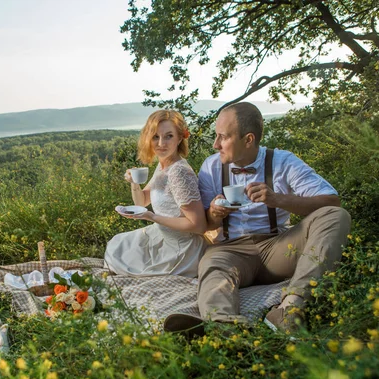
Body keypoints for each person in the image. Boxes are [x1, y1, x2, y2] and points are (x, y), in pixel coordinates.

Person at [163, 102, 351, 335]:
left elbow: (332, 201)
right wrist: (214, 213)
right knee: (212, 265)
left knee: (335, 216)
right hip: (230, 250)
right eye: (216, 136)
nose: (215, 144)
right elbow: (204, 224)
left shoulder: (283, 161)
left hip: (278, 246)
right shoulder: (211, 166)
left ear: (248, 139)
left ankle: (289, 310)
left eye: (223, 137)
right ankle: (224, 326)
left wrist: (278, 199)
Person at [104, 110, 207, 278]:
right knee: (116, 246)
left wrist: (152, 217)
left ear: (180, 138)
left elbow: (198, 226)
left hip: (182, 250)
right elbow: (141, 202)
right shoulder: (163, 166)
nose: (161, 143)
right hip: (162, 235)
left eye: (168, 136)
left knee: (120, 260)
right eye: (155, 137)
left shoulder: (179, 173)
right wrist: (134, 183)